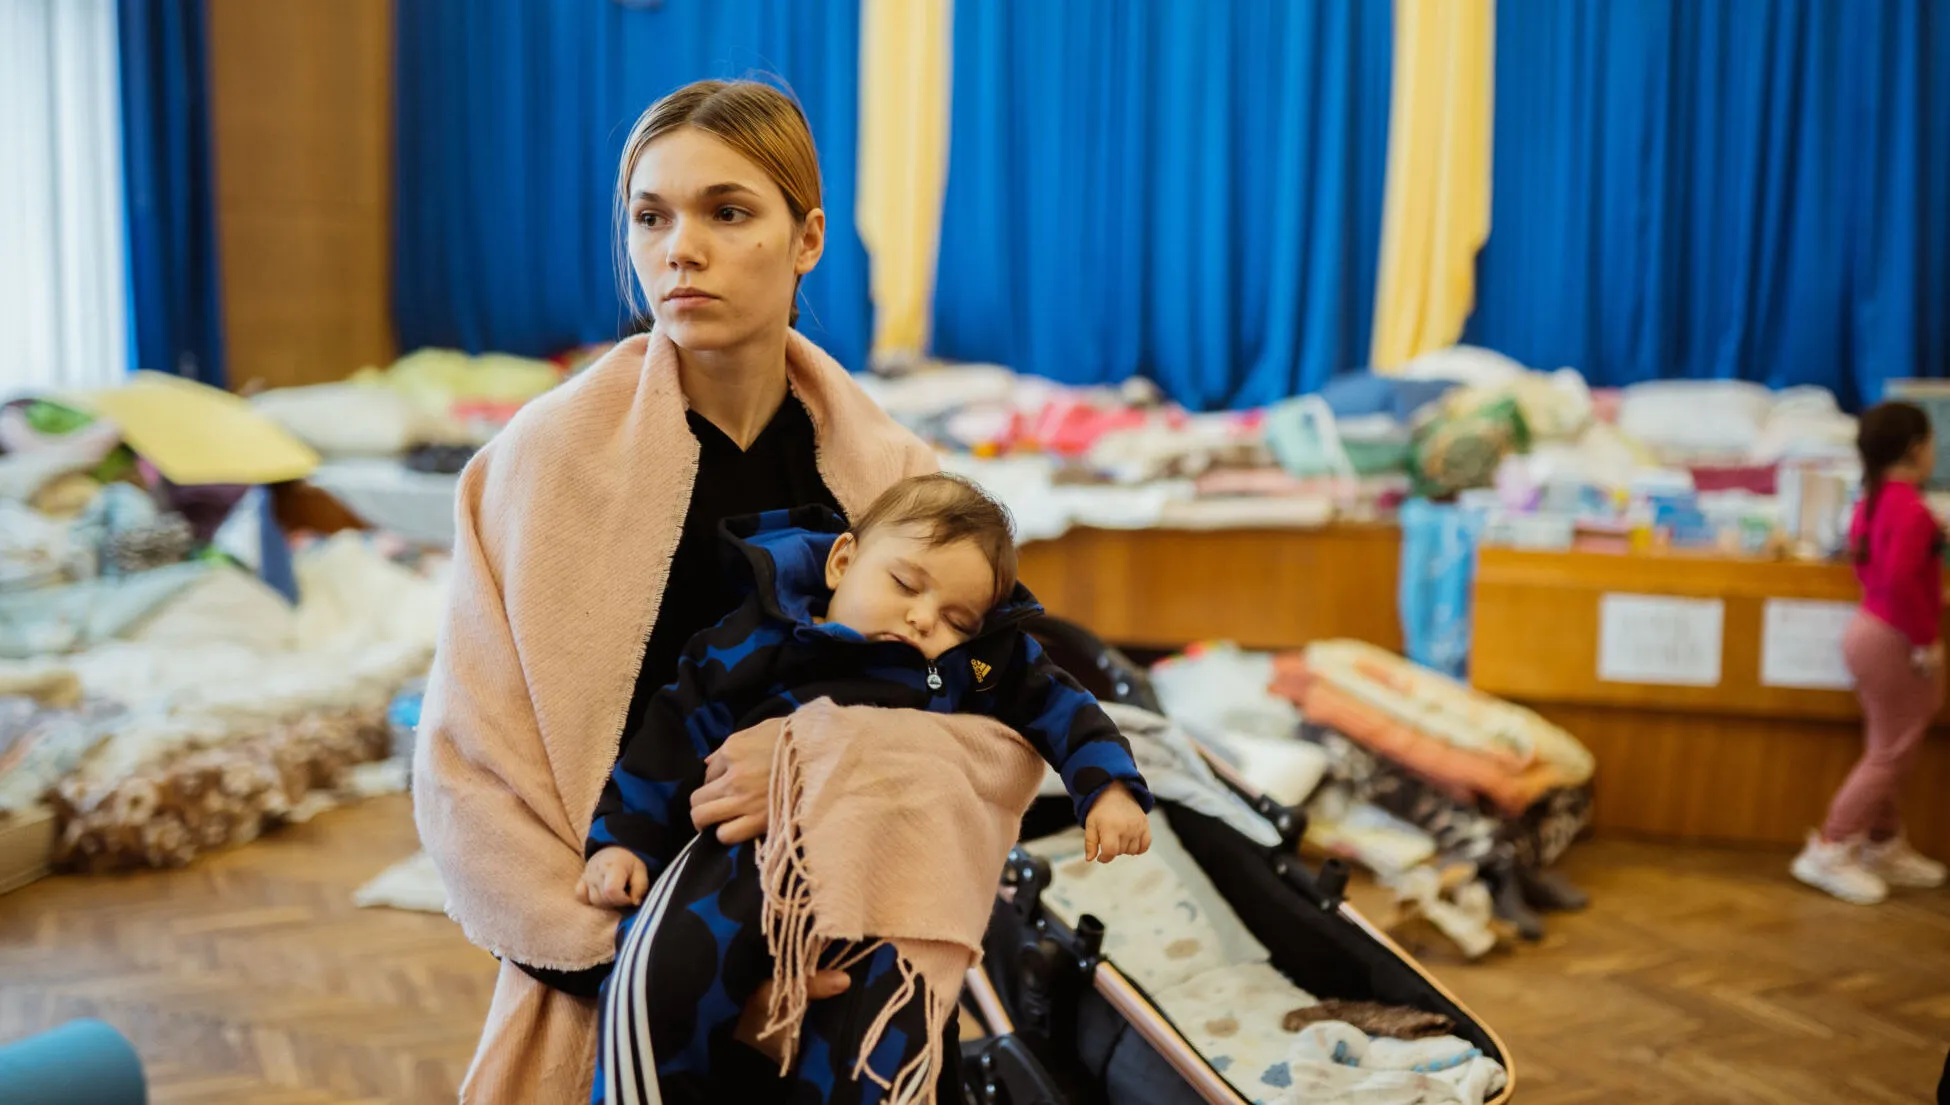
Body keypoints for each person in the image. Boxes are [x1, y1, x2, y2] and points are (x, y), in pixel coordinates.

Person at [413, 79, 1005, 1102]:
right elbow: (468, 771)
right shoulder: (539, 466)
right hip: (619, 984)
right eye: (652, 217)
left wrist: (823, 756)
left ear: (807, 238)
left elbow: (989, 733)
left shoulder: (895, 480)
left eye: (727, 212)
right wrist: (656, 974)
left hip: (850, 972)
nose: (679, 249)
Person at [580, 474, 1153, 1102]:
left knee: (880, 1049)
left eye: (956, 618)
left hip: (883, 887)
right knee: (661, 982)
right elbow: (671, 736)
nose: (922, 617)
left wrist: (1109, 790)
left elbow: (1065, 709)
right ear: (842, 559)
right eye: (906, 584)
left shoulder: (974, 664)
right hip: (738, 864)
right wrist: (623, 839)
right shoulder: (758, 636)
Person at [1793, 401, 1949, 904]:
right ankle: (1831, 846)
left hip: (1870, 627)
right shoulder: (1913, 510)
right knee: (1890, 752)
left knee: (1889, 746)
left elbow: (1876, 570)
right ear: (1915, 448)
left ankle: (1881, 841)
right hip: (1895, 637)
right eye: (1931, 442)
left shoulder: (1874, 500)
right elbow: (1902, 580)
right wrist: (1925, 639)